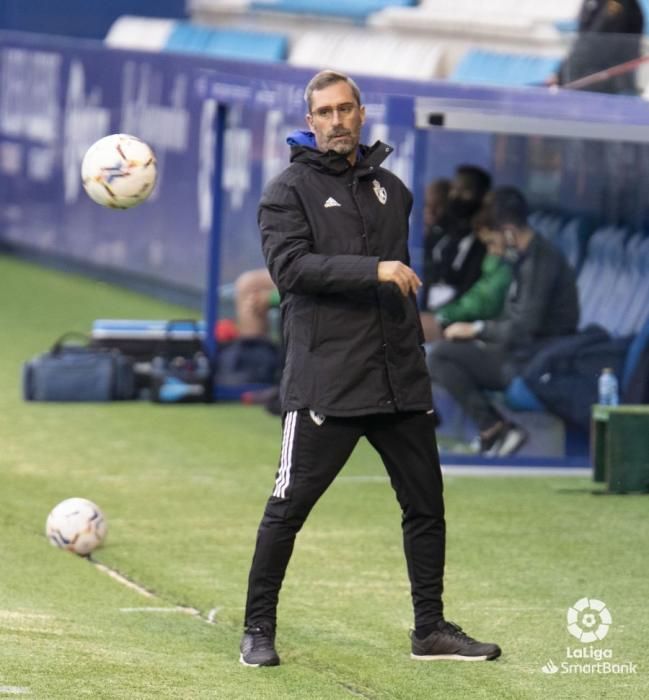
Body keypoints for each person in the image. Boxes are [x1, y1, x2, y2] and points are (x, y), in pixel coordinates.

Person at [239, 70, 502, 667]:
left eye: (345, 110)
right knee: (288, 508)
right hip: (327, 381)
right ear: (310, 122)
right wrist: (374, 269)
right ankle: (257, 630)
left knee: (426, 505)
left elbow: (401, 279)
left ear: (362, 114)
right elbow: (292, 272)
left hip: (398, 381)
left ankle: (430, 629)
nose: (336, 121)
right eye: (324, 112)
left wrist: (410, 347)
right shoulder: (287, 191)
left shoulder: (394, 190)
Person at [428, 187, 579, 457]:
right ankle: (493, 429)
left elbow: (525, 327)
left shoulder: (540, 261)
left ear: (508, 230)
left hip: (535, 362)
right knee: (442, 351)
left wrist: (478, 329)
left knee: (440, 356)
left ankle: (495, 428)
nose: (493, 247)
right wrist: (480, 335)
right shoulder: (526, 258)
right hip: (521, 352)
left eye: (494, 237)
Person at [420, 216, 513, 343]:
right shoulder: (492, 264)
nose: (490, 250)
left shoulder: (506, 268)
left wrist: (441, 317)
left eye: (492, 242)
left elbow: (481, 303)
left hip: (489, 335)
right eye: (486, 244)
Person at [423, 165, 492, 313]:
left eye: (465, 191)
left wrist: (443, 317)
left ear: (483, 196)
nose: (456, 196)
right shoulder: (441, 231)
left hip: (457, 318)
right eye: (455, 189)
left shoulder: (485, 241)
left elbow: (474, 290)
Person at [549, 0, 644, 94]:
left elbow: (599, 36)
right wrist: (559, 73)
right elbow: (581, 39)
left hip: (605, 79)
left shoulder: (620, 3)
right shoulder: (589, 3)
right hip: (583, 76)